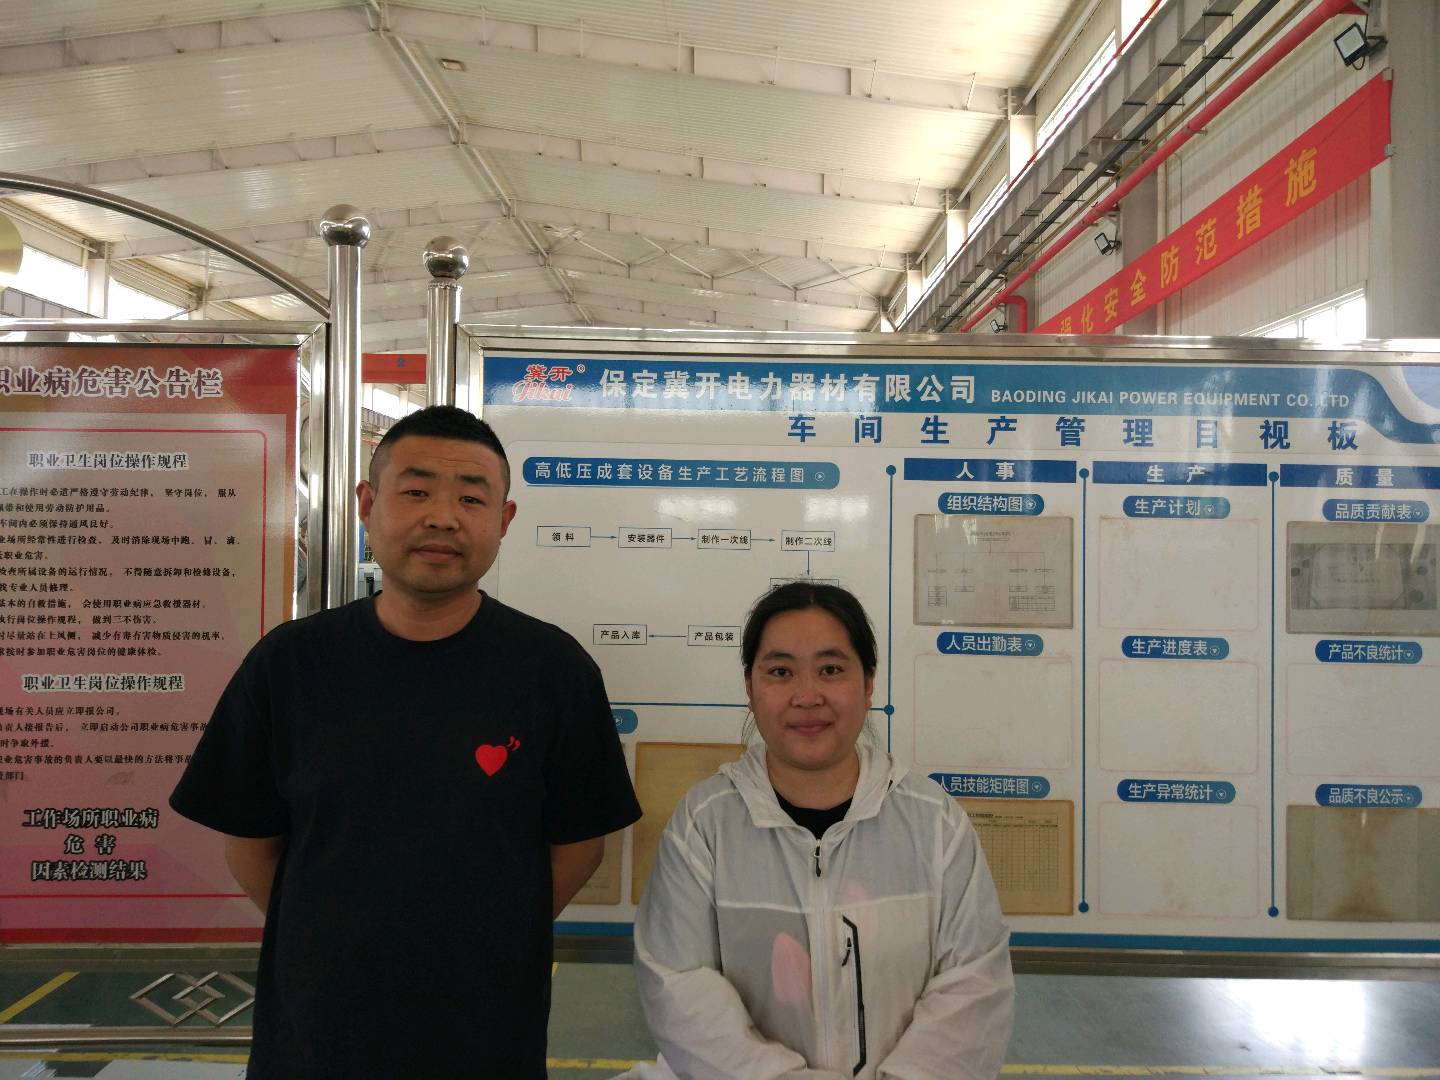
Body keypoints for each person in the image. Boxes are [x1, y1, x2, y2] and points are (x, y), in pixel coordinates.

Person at [171, 405, 640, 1079]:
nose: (443, 518)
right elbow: (249, 842)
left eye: (471, 498)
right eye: (416, 491)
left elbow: (579, 845)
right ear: (367, 505)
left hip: (486, 1029)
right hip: (316, 1031)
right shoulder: (290, 664)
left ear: (504, 520)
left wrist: (490, 937)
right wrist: (334, 937)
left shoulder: (553, 670)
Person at [624, 582, 1013, 1080]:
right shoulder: (704, 825)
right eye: (780, 672)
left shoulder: (934, 822)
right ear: (750, 688)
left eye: (830, 670)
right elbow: (679, 985)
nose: (807, 697)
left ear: (868, 684)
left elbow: (974, 981)